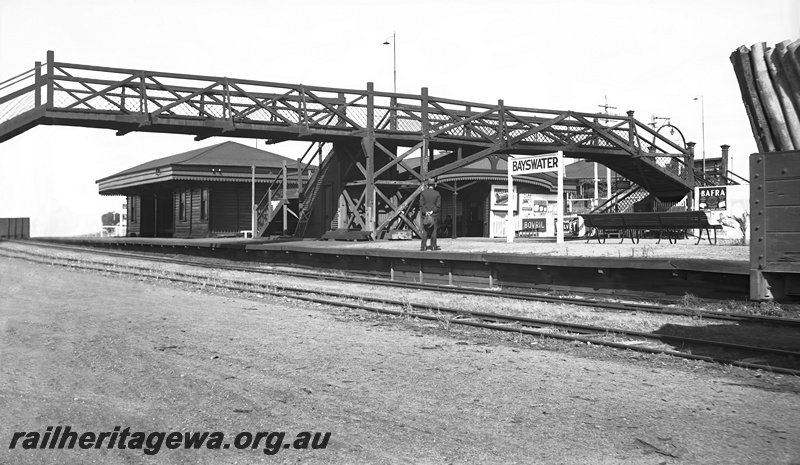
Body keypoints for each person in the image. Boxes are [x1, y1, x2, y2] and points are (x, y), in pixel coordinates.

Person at [418, 181, 441, 251]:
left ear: (427, 185)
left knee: (425, 230)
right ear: (434, 185)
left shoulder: (423, 193)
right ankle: (433, 246)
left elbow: (421, 204)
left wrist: (426, 212)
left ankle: (423, 246)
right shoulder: (437, 193)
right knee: (434, 230)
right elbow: (438, 205)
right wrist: (432, 211)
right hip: (434, 215)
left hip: (425, 214)